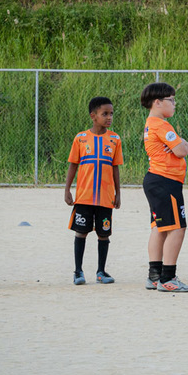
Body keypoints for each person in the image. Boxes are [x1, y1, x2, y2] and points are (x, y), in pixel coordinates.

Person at [63, 96, 123, 286]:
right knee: (81, 232)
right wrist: (67, 190)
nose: (109, 117)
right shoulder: (80, 138)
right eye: (105, 114)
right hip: (84, 197)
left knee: (103, 234)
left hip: (105, 198)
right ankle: (78, 272)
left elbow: (115, 167)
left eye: (111, 113)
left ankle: (101, 272)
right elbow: (73, 165)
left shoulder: (115, 139)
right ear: (93, 116)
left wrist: (118, 193)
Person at [141, 82, 188, 293]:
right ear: (157, 102)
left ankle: (154, 276)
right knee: (177, 227)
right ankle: (168, 278)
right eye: (171, 100)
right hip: (165, 181)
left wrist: (180, 144)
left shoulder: (151, 124)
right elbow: (181, 150)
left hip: (156, 180)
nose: (174, 104)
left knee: (159, 227)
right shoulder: (161, 125)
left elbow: (178, 148)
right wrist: (184, 144)